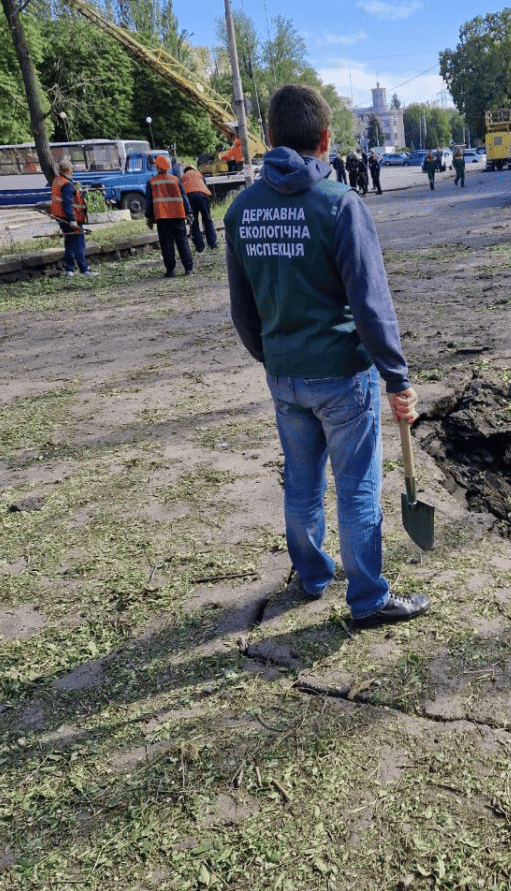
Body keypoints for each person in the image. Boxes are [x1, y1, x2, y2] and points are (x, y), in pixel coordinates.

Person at [223, 83, 430, 628]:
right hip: (342, 375)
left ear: (268, 137)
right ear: (325, 138)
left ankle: (313, 576)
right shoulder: (340, 205)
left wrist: (271, 357)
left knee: (302, 480)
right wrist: (396, 376)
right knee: (358, 484)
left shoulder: (241, 209)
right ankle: (367, 599)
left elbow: (242, 309)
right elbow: (370, 302)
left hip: (285, 376)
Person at [145, 153, 194, 278]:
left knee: (166, 245)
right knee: (183, 242)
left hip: (162, 217)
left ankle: (171, 270)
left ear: (157, 167)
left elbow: (149, 202)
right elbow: (184, 198)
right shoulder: (175, 180)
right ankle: (188, 269)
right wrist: (188, 213)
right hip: (178, 215)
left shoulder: (152, 182)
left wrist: (149, 217)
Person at [50, 157, 97, 278]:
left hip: (61, 218)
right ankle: (84, 270)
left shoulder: (57, 181)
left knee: (69, 244)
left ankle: (69, 270)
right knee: (79, 245)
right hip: (71, 219)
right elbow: (67, 203)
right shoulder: (67, 185)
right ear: (68, 170)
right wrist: (72, 220)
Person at [181, 164, 218, 252]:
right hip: (202, 196)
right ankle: (212, 244)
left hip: (189, 197)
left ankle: (200, 247)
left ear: (185, 170)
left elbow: (181, 191)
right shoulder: (199, 174)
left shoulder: (183, 177)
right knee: (207, 219)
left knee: (193, 222)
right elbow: (204, 184)